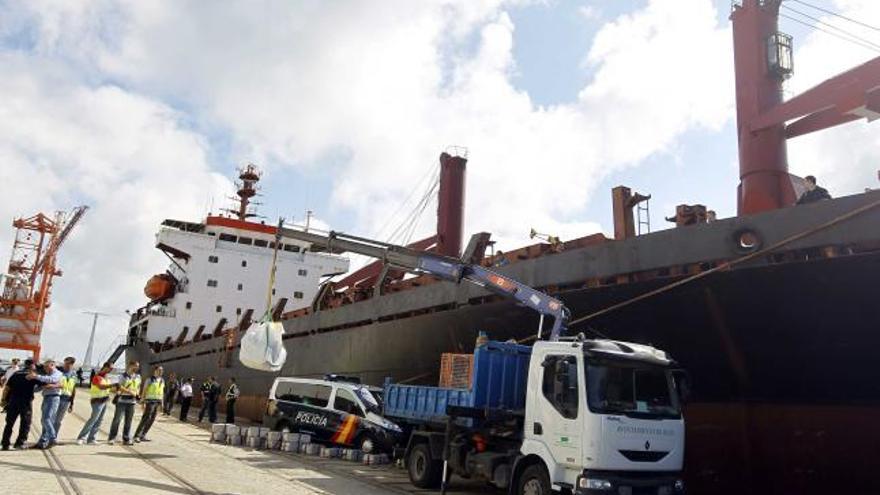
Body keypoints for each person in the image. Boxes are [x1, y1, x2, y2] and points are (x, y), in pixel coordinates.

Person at [1, 359, 37, 450]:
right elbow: (43, 384)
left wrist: (3, 400)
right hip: (25, 403)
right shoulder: (32, 375)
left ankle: (5, 444)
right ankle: (20, 443)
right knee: (25, 423)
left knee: (9, 423)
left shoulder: (15, 374)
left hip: (13, 401)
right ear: (32, 365)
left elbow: (7, 388)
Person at [27, 359, 63, 449]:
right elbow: (38, 388)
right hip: (47, 398)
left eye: (47, 367)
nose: (45, 369)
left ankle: (53, 438)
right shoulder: (46, 375)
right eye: (44, 367)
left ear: (53, 365)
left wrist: (36, 376)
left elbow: (52, 379)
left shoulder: (57, 373)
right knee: (45, 421)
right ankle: (42, 442)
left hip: (53, 397)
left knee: (46, 419)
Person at [76, 362, 114, 445]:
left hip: (104, 401)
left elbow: (108, 389)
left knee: (99, 420)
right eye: (110, 368)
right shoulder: (97, 377)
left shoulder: (106, 378)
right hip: (97, 401)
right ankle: (81, 437)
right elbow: (101, 386)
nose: (111, 370)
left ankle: (91, 439)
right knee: (93, 419)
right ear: (105, 367)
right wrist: (112, 385)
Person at [107, 361, 141, 445]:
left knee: (128, 421)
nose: (136, 368)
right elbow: (119, 387)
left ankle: (126, 439)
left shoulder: (138, 377)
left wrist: (137, 394)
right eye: (135, 366)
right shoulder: (123, 376)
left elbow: (138, 386)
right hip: (122, 401)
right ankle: (112, 438)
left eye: (137, 366)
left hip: (132, 402)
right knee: (117, 420)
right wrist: (130, 392)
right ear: (130, 366)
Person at [133, 366, 164, 442]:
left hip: (157, 402)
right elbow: (144, 390)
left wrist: (162, 403)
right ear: (155, 371)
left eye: (162, 370)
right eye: (159, 370)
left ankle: (143, 435)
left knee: (152, 419)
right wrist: (142, 402)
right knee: (146, 418)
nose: (161, 371)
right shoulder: (150, 380)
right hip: (150, 402)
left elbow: (162, 392)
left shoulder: (162, 380)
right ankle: (137, 435)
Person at [52, 357, 78, 440]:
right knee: (51, 418)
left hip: (66, 399)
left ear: (72, 364)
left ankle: (53, 437)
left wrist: (72, 403)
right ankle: (46, 436)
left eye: (68, 364)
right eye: (65, 363)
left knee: (58, 420)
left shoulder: (74, 375)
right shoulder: (58, 372)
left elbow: (73, 389)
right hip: (57, 397)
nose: (65, 365)